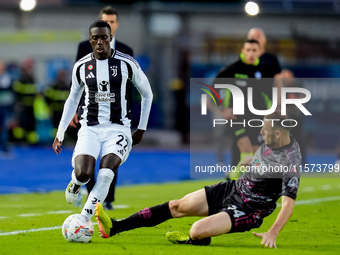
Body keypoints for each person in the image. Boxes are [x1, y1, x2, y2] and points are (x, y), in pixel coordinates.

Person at [95, 110, 301, 249]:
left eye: (264, 130)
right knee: (177, 206)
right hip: (232, 189)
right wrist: (252, 161)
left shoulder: (290, 160)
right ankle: (115, 227)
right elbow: (264, 156)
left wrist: (272, 233)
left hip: (248, 209)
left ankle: (195, 240)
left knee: (196, 230)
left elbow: (288, 205)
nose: (261, 132)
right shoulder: (274, 138)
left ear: (277, 133)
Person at [52, 20, 153, 220]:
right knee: (84, 174)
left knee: (107, 172)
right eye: (95, 38)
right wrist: (60, 133)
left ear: (110, 38)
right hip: (89, 128)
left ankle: (84, 218)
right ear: (90, 40)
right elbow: (72, 98)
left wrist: (141, 128)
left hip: (119, 129)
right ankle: (75, 182)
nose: (99, 42)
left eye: (103, 37)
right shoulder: (81, 66)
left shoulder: (127, 63)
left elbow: (147, 94)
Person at [72, 6, 134, 210]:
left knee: (111, 158)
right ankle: (87, 192)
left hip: (117, 116)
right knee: (88, 157)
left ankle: (106, 200)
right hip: (90, 113)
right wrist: (75, 109)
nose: (109, 24)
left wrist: (130, 115)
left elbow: (130, 88)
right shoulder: (83, 47)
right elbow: (77, 84)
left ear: (116, 25)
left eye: (112, 22)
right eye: (105, 21)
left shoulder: (126, 51)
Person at [211, 39, 274, 179]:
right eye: (248, 50)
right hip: (237, 117)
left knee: (255, 155)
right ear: (243, 51)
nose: (251, 53)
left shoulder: (264, 71)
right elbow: (213, 89)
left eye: (254, 50)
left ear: (259, 52)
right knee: (246, 149)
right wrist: (223, 108)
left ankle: (233, 178)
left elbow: (270, 96)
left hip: (257, 117)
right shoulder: (232, 68)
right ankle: (236, 181)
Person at [0, 60, 15, 155]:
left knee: (4, 129)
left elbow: (11, 94)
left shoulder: (8, 78)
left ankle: (4, 149)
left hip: (5, 108)